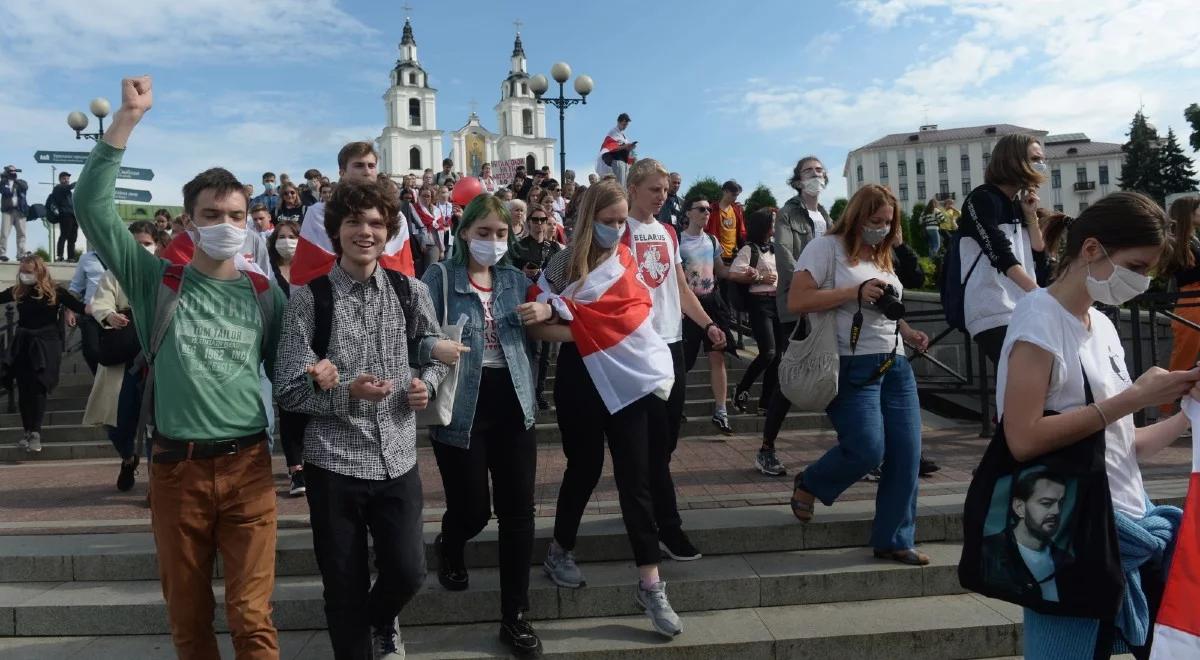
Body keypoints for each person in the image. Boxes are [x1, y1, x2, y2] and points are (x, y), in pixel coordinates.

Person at [74, 75, 288, 659]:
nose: (227, 223)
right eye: (213, 213)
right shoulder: (156, 282)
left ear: (249, 220)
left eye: (237, 214)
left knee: (252, 619)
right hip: (176, 470)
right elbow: (90, 206)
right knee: (189, 622)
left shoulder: (267, 293)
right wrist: (127, 119)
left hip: (248, 467)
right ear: (189, 222)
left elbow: (289, 374)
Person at [998, 191, 1196, 657]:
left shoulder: (1100, 325)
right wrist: (1135, 398)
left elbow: (1124, 446)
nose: (1141, 281)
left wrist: (1187, 408)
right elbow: (1022, 438)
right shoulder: (1038, 319)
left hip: (1129, 526)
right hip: (1075, 535)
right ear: (1091, 249)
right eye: (1137, 266)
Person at [275, 179, 449, 660]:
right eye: (354, 221)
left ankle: (377, 621)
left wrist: (426, 385)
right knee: (343, 584)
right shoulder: (310, 298)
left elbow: (435, 353)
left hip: (397, 457)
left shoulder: (409, 290)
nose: (365, 231)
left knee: (408, 572)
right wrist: (339, 390)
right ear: (337, 230)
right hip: (334, 463)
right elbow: (288, 388)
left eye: (375, 222)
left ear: (389, 230)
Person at [529, 179, 684, 638]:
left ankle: (651, 584)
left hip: (627, 377)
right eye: (609, 222)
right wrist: (587, 332)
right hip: (580, 378)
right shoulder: (561, 263)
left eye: (621, 222)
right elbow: (535, 324)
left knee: (636, 477)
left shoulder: (627, 260)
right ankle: (560, 550)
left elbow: (636, 320)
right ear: (588, 219)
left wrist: (591, 327)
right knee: (585, 468)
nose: (617, 230)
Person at [420, 194, 550, 657]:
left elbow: (545, 318)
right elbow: (416, 332)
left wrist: (548, 312)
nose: (493, 241)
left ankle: (515, 616)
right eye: (483, 233)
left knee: (519, 513)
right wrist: (435, 348)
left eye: (500, 234)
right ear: (464, 234)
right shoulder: (440, 276)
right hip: (462, 404)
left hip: (513, 400)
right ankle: (450, 543)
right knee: (473, 509)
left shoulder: (516, 279)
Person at [786, 184, 932, 568]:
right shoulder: (825, 248)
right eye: (875, 221)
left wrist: (909, 331)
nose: (882, 229)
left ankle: (895, 539)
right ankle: (811, 482)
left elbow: (884, 311)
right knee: (868, 448)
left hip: (895, 365)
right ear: (856, 216)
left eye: (888, 222)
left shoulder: (883, 256)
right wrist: (853, 291)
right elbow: (797, 300)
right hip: (849, 364)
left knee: (907, 454)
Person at [624, 159, 726, 562]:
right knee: (648, 447)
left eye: (665, 190)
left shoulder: (667, 231)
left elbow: (680, 286)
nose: (662, 196)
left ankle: (649, 504)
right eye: (654, 189)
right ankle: (667, 527)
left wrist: (708, 322)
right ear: (632, 188)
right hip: (637, 347)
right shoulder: (618, 232)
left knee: (665, 441)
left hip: (672, 343)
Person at [960, 133, 1049, 367]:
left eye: (1042, 159)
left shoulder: (1017, 205)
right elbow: (999, 253)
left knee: (1040, 384)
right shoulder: (981, 199)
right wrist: (1040, 295)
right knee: (1024, 379)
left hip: (1023, 307)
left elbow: (1039, 253)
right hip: (994, 310)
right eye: (1035, 158)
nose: (1041, 164)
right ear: (1014, 160)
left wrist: (1030, 215)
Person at [82, 220, 159, 491]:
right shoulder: (115, 274)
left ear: (157, 245)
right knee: (117, 422)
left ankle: (156, 483)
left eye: (147, 243)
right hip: (124, 357)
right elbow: (100, 302)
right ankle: (128, 457)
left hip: (156, 356)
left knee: (155, 423)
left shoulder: (163, 273)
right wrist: (108, 314)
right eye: (136, 243)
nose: (142, 248)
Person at [1, 255, 86, 453]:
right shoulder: (18, 292)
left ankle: (36, 432)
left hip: (46, 343)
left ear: (39, 271)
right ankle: (27, 431)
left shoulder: (56, 292)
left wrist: (102, 312)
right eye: (22, 271)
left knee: (39, 384)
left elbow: (80, 307)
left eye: (29, 272)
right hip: (24, 341)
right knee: (24, 386)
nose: (25, 275)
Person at [730, 210, 788, 474]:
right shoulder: (750, 248)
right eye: (772, 223)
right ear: (763, 225)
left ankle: (765, 402)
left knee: (779, 355)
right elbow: (735, 272)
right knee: (768, 352)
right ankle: (742, 390)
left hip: (778, 304)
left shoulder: (777, 249)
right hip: (759, 303)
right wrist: (759, 277)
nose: (775, 226)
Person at [677, 197, 740, 435]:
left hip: (712, 302)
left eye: (709, 209)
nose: (706, 212)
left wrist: (741, 269)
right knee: (685, 360)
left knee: (718, 356)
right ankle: (676, 404)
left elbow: (720, 270)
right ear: (689, 213)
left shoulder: (712, 240)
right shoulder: (678, 240)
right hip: (689, 305)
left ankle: (721, 410)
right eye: (701, 209)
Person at [980, 470, 1070, 603]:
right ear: (1019, 507)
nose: (1056, 511)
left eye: (1060, 503)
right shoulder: (988, 552)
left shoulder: (1065, 559)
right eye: (1046, 503)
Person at [266, 220, 307, 496]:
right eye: (281, 237)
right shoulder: (267, 273)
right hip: (281, 350)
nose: (286, 241)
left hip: (310, 349)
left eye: (291, 236)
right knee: (289, 408)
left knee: (309, 405)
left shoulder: (311, 269)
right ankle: (296, 470)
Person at [511, 204, 563, 410]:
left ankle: (539, 393)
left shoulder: (555, 248)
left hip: (548, 303)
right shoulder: (520, 246)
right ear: (529, 222)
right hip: (527, 301)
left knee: (545, 353)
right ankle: (530, 393)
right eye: (535, 220)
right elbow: (509, 272)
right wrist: (523, 271)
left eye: (543, 220)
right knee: (533, 351)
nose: (539, 224)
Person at [1161, 196, 1200, 390]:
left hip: (1192, 303)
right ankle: (1165, 411)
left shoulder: (1190, 240)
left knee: (1184, 361)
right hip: (1191, 304)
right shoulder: (1179, 243)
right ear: (1189, 213)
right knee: (1182, 362)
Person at [67, 248, 109, 374]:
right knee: (91, 352)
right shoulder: (86, 258)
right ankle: (99, 381)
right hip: (91, 314)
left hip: (115, 313)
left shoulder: (121, 254)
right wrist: (70, 310)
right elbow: (75, 287)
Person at [705, 180, 746, 263]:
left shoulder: (737, 210)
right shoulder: (711, 209)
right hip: (716, 255)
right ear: (725, 191)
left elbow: (742, 232)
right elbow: (705, 230)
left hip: (735, 254)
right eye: (733, 195)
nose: (735, 198)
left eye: (737, 195)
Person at [596, 113, 637, 186]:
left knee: (623, 185)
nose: (625, 127)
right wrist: (626, 146)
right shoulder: (613, 132)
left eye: (626, 125)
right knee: (620, 185)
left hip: (623, 162)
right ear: (619, 122)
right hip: (617, 161)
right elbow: (611, 147)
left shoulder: (623, 135)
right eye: (624, 124)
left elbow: (622, 147)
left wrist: (630, 147)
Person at [0, 164, 29, 261]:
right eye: (11, 171)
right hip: (8, 211)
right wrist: (5, 178)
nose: (13, 173)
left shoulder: (20, 182)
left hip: (20, 211)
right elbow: (5, 192)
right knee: (4, 233)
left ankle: (21, 254)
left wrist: (14, 180)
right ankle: (2, 253)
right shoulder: (3, 182)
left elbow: (25, 187)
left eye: (14, 171)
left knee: (21, 233)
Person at [51, 171, 80, 261]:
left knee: (73, 237)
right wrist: (80, 182)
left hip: (72, 215)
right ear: (60, 179)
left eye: (68, 178)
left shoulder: (68, 192)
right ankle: (60, 255)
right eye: (64, 178)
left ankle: (71, 257)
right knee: (64, 235)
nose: (66, 180)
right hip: (64, 215)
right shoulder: (58, 188)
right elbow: (69, 187)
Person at [656, 172, 685, 236]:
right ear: (668, 182)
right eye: (674, 182)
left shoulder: (681, 202)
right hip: (659, 233)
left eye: (678, 183)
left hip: (675, 236)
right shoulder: (659, 197)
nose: (676, 185)